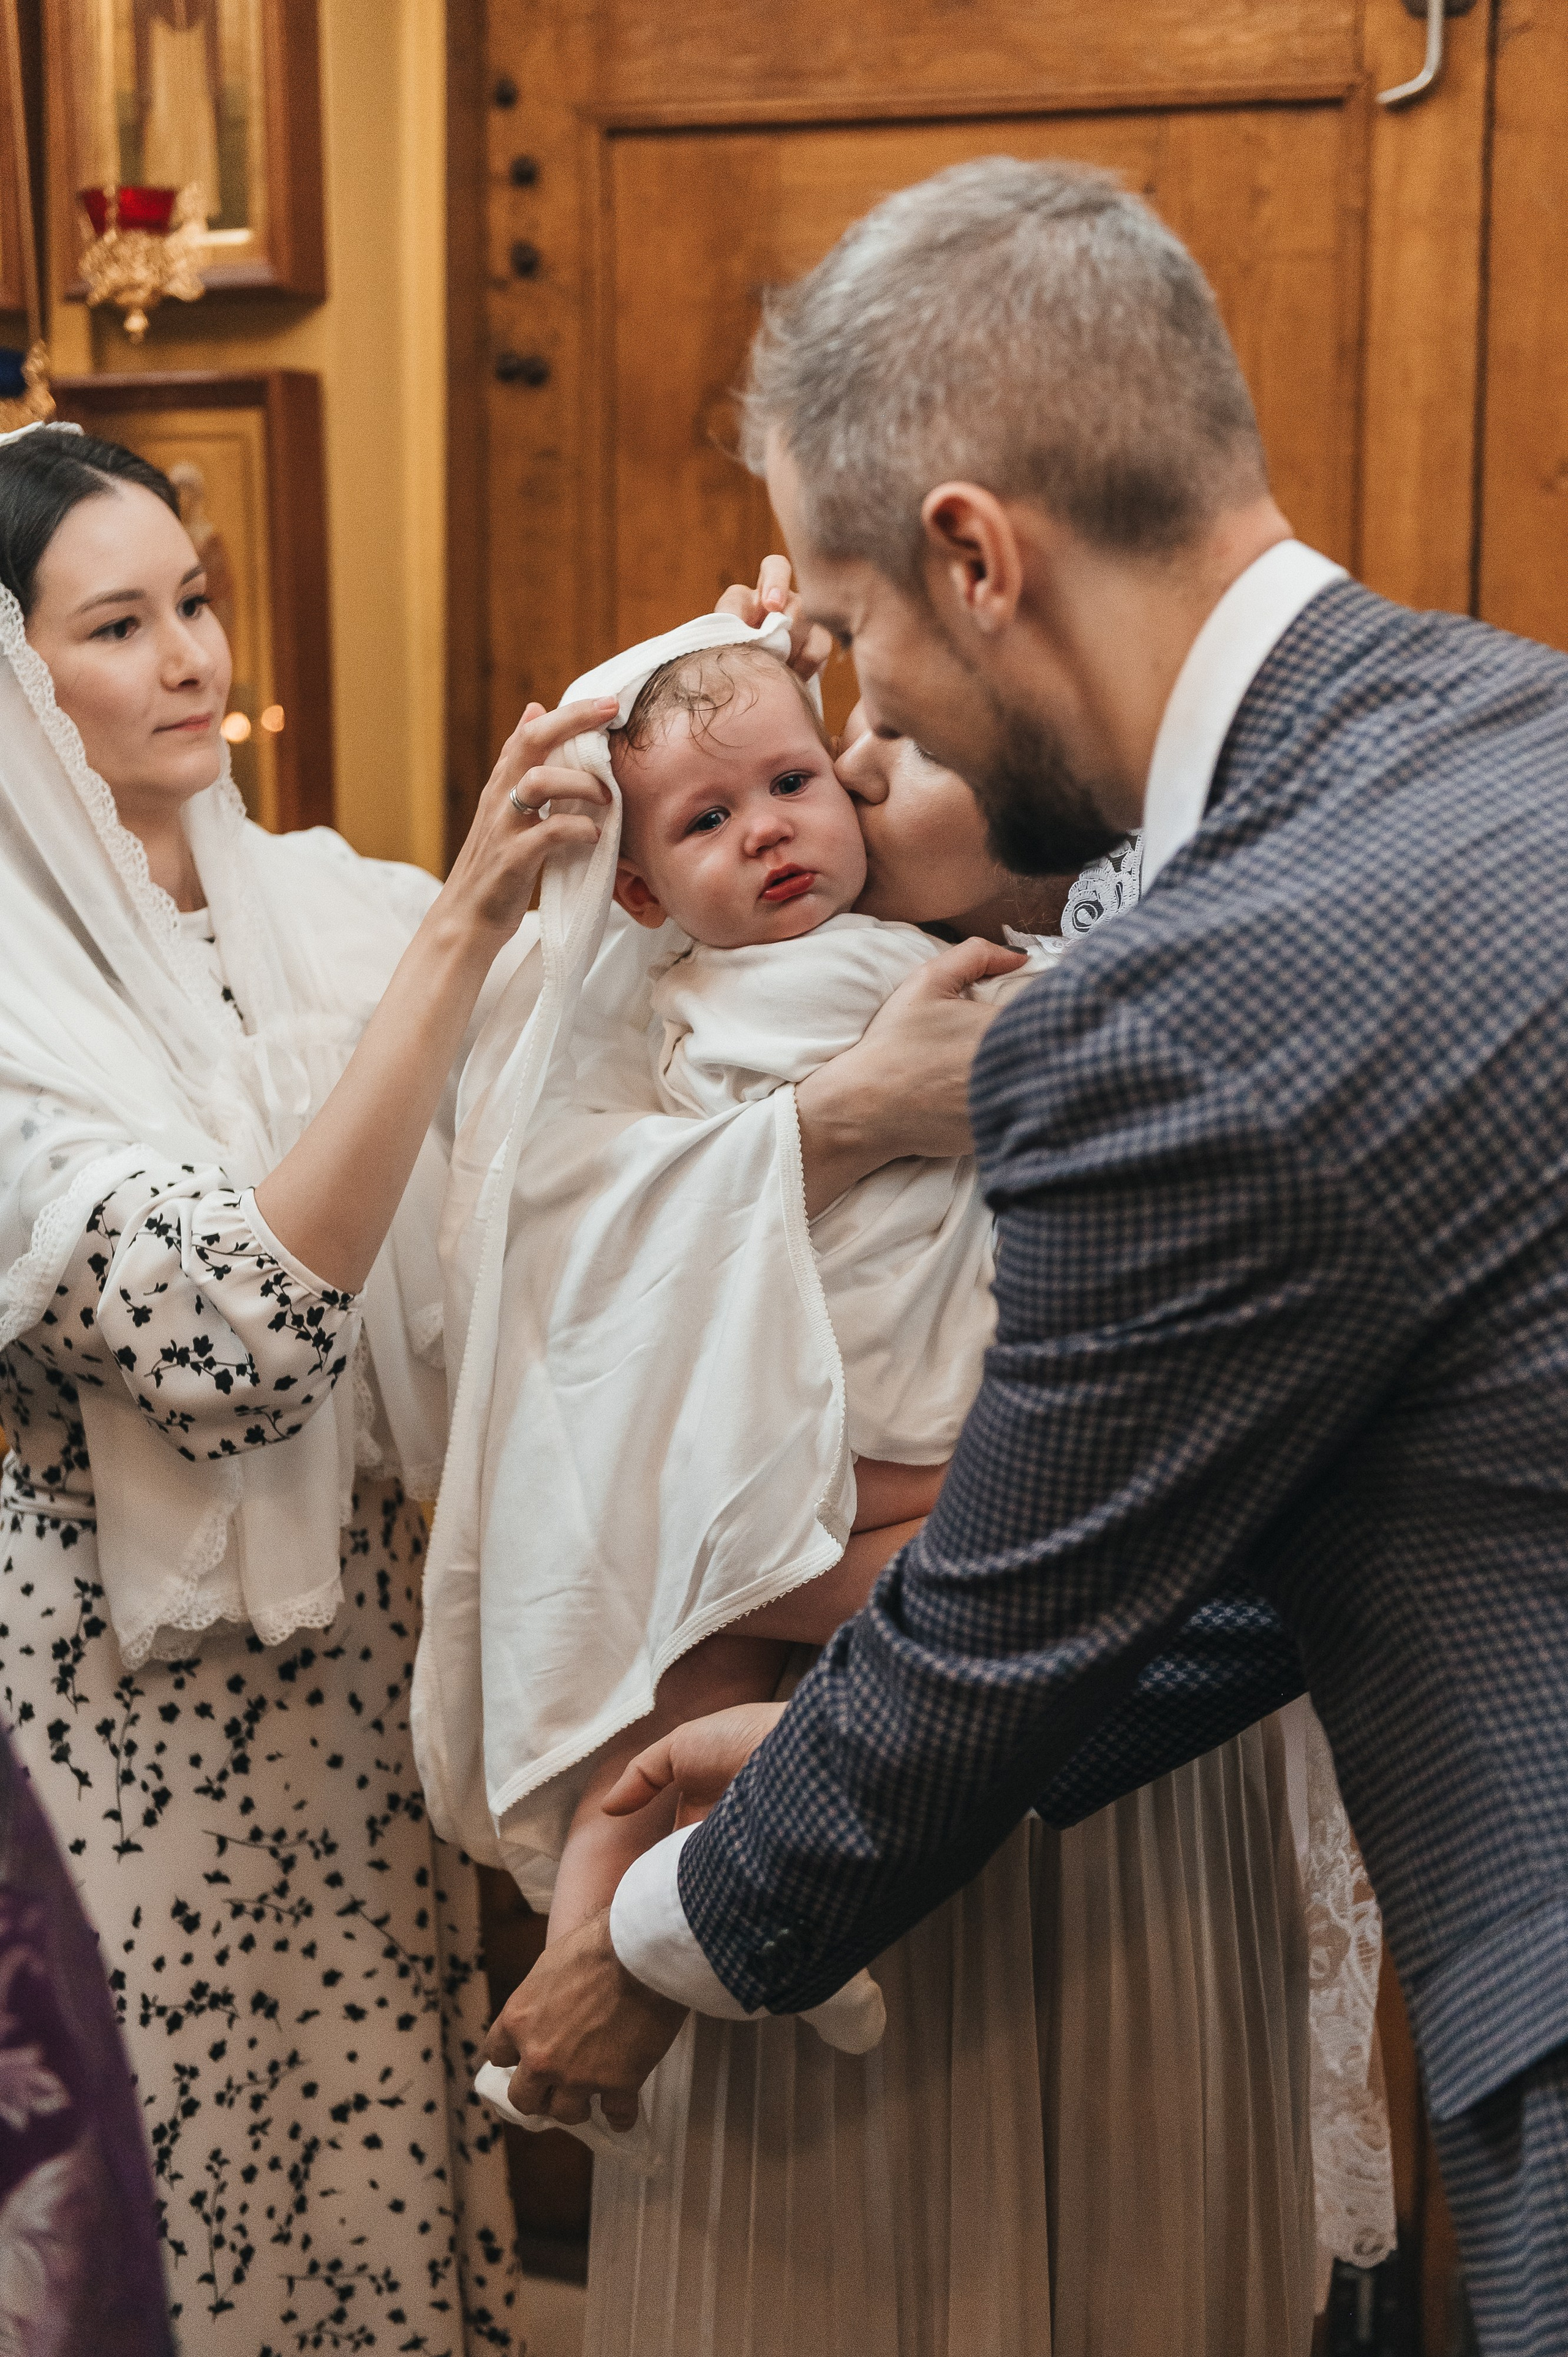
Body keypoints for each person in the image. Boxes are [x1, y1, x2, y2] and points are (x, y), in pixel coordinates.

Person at [488, 157, 1568, 2357]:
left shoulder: (1182, 1002)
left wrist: (665, 1934)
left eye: (857, 631)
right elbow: (1345, 1486)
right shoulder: (1512, 723)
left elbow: (1008, 1618)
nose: (859, 724)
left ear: (976, 557)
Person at [0, 420, 613, 2348]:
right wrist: (465, 929)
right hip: (106, 1725)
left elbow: (596, 1096)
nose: (191, 657)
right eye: (116, 626)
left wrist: (713, 705)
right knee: (168, 2210)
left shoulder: (333, 910)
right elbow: (233, 1334)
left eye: (193, 602)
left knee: (361, 2193)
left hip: (349, 1690)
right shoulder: (12, 1000)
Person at [549, 636, 1027, 1950]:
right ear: (639, 893)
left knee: (710, 1687)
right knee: (799, 1631)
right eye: (707, 821)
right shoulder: (841, 968)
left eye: (792, 783)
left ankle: (622, 1930)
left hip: (796, 1401)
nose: (765, 829)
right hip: (854, 1393)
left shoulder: (690, 994)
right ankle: (710, 1920)